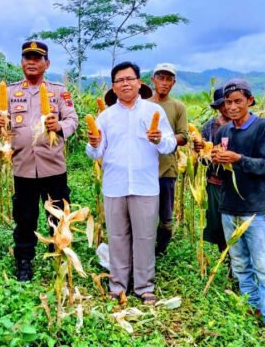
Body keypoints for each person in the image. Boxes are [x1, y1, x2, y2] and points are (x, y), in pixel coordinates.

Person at [86, 61, 176, 304]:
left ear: (139, 82)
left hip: (145, 185)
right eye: (119, 80)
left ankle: (144, 286)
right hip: (114, 185)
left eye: (129, 79)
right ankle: (117, 284)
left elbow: (170, 144)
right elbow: (95, 152)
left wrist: (158, 139)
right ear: (113, 87)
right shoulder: (105, 117)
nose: (125, 83)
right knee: (117, 235)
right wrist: (93, 144)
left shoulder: (153, 112)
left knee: (146, 236)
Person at [0, 41, 78, 281]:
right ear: (21, 63)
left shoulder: (59, 92)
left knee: (57, 215)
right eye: (27, 57)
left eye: (37, 58)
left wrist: (59, 126)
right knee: (24, 218)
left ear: (46, 64)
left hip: (53, 166)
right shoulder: (8, 92)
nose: (31, 61)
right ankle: (24, 262)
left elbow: (72, 119)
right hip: (23, 167)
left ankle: (58, 252)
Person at [211, 78, 265, 336]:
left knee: (264, 266)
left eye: (238, 101)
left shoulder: (263, 127)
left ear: (250, 101)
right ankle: (252, 308)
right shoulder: (223, 132)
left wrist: (238, 159)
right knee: (239, 263)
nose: (232, 107)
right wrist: (213, 158)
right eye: (228, 102)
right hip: (229, 206)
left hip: (256, 209)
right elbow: (219, 167)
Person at [148, 63, 188, 256]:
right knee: (145, 214)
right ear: (152, 79)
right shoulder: (143, 105)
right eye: (161, 78)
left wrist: (162, 139)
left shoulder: (178, 107)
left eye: (168, 79)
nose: (164, 83)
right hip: (143, 170)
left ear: (174, 83)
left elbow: (184, 136)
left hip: (166, 169)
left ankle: (160, 251)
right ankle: (144, 249)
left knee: (165, 215)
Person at [197, 87, 231, 255]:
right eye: (222, 104)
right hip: (215, 182)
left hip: (238, 184)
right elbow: (202, 159)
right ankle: (225, 257)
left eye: (229, 102)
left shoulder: (244, 126)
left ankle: (238, 263)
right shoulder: (210, 126)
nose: (227, 107)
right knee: (218, 224)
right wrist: (204, 153)